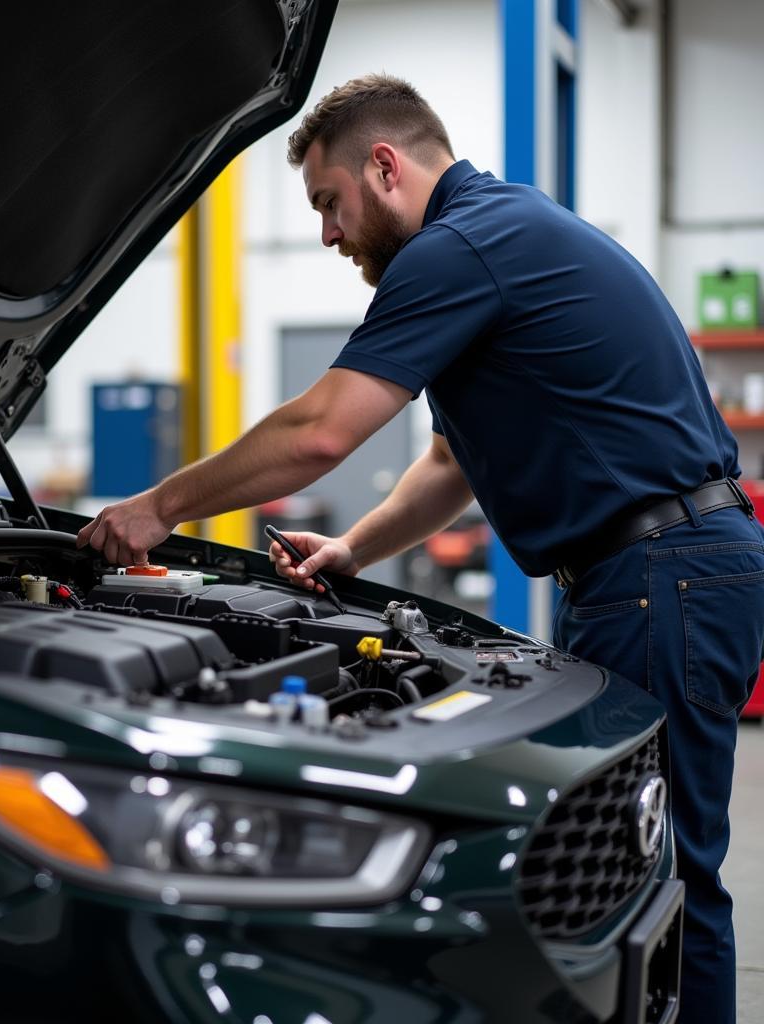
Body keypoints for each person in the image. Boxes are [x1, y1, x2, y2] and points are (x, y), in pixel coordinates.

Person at [78, 74, 764, 1021]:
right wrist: (355, 549)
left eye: (330, 203)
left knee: (663, 873)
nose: (327, 233)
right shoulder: (504, 234)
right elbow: (449, 462)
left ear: (386, 167)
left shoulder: (459, 248)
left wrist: (161, 506)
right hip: (665, 569)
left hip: (662, 573)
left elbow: (321, 430)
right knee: (644, 867)